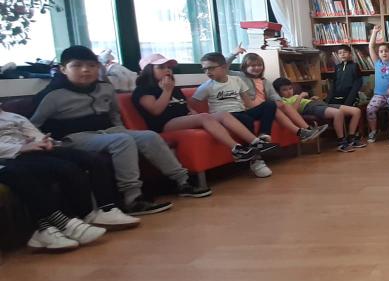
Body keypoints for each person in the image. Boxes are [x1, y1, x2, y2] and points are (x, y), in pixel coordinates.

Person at [31, 46, 210, 214]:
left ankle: (183, 182)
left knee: (149, 136)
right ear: (63, 69)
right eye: (77, 66)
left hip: (109, 130)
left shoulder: (105, 88)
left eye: (91, 66)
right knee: (122, 141)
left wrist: (120, 128)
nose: (85, 70)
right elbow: (34, 124)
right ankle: (132, 198)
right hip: (74, 137)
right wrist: (47, 142)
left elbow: (114, 113)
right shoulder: (52, 95)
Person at [0, 104, 138, 249]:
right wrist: (21, 148)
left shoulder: (15, 117)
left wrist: (44, 142)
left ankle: (106, 209)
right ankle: (70, 221)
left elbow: (34, 133)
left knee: (93, 159)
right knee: (62, 168)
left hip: (33, 151)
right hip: (12, 156)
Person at [133, 53, 263, 163]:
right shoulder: (144, 89)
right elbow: (155, 111)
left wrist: (192, 113)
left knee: (222, 114)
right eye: (161, 67)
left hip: (183, 119)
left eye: (169, 67)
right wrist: (167, 91)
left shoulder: (173, 87)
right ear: (148, 70)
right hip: (164, 124)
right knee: (205, 117)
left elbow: (186, 105)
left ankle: (256, 142)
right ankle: (237, 149)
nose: (167, 70)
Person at [193, 52, 278, 178]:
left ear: (223, 67)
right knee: (246, 119)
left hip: (241, 111)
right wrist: (197, 115)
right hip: (225, 117)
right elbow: (192, 104)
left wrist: (256, 111)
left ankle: (263, 135)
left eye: (211, 68)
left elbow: (248, 103)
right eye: (204, 69)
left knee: (269, 105)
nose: (207, 72)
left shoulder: (237, 80)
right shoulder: (206, 87)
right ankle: (256, 160)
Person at [236, 53, 327, 144]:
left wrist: (279, 102)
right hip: (251, 110)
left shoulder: (265, 81)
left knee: (281, 106)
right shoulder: (240, 77)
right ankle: (304, 132)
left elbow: (274, 95)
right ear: (244, 67)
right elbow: (227, 68)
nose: (257, 68)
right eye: (253, 66)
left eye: (259, 65)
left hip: (264, 109)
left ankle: (308, 129)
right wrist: (234, 54)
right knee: (271, 105)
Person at [273, 78, 365, 152]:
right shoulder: (282, 101)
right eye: (284, 90)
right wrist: (300, 97)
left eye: (290, 88)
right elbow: (294, 111)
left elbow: (304, 101)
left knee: (356, 111)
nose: (289, 91)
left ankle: (351, 138)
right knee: (338, 113)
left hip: (318, 104)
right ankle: (341, 142)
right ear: (278, 92)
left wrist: (311, 99)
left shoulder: (295, 96)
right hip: (310, 108)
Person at [366, 26, 389, 143]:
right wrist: (375, 32)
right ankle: (373, 131)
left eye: (386, 51)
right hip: (379, 95)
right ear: (378, 54)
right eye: (381, 51)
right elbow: (371, 46)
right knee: (370, 109)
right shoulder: (377, 63)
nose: (384, 53)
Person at [327, 44, 363, 109]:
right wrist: (328, 99)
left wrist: (349, 101)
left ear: (350, 54)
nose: (342, 54)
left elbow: (357, 83)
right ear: (338, 55)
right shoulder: (337, 67)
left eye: (345, 52)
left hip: (350, 97)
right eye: (340, 53)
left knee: (346, 111)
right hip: (337, 96)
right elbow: (333, 84)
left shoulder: (354, 66)